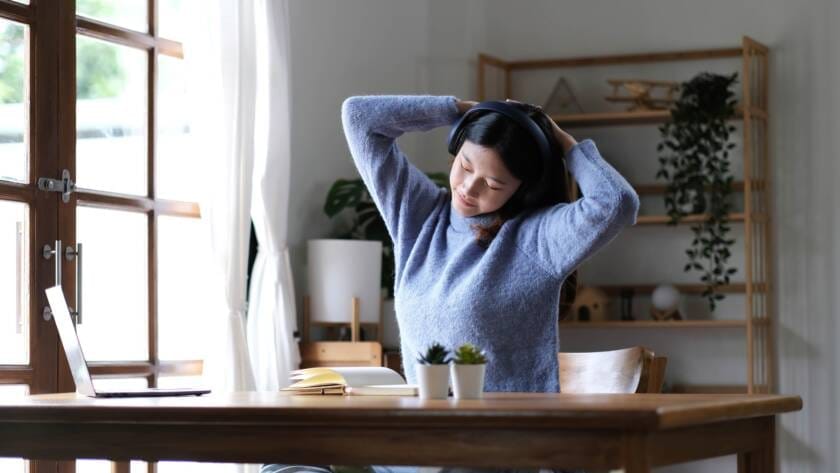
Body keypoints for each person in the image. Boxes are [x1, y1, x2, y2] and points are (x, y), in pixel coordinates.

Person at [261, 95, 639, 473]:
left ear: (521, 189)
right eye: (465, 165)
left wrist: (564, 143)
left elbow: (617, 202)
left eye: (492, 183)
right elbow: (360, 118)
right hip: (421, 444)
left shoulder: (539, 237)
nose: (469, 188)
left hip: (500, 451)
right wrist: (460, 109)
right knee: (285, 453)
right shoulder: (419, 215)